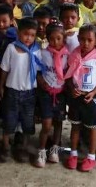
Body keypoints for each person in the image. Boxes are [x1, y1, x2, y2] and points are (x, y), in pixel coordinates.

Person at [0, 18, 41, 163]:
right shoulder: (11, 48)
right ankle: (5, 146)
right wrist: (1, 86)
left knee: (28, 121)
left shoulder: (36, 51)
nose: (28, 38)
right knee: (9, 120)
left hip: (29, 93)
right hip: (12, 91)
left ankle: (23, 147)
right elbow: (4, 69)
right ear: (18, 33)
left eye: (32, 35)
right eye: (25, 34)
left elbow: (39, 72)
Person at [64, 24, 96, 173]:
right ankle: (73, 154)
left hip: (91, 98)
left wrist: (94, 92)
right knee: (75, 126)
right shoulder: (73, 55)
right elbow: (68, 76)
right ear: (77, 39)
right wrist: (71, 88)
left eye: (89, 40)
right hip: (76, 97)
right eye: (82, 39)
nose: (85, 43)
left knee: (92, 128)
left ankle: (91, 157)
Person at [35, 22, 68, 167]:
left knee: (58, 122)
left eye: (59, 38)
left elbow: (70, 72)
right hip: (46, 93)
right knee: (47, 124)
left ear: (64, 38)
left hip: (60, 93)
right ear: (47, 39)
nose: (55, 42)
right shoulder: (43, 54)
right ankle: (41, 150)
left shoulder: (67, 55)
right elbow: (37, 72)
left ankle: (54, 149)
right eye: (52, 39)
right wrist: (42, 83)